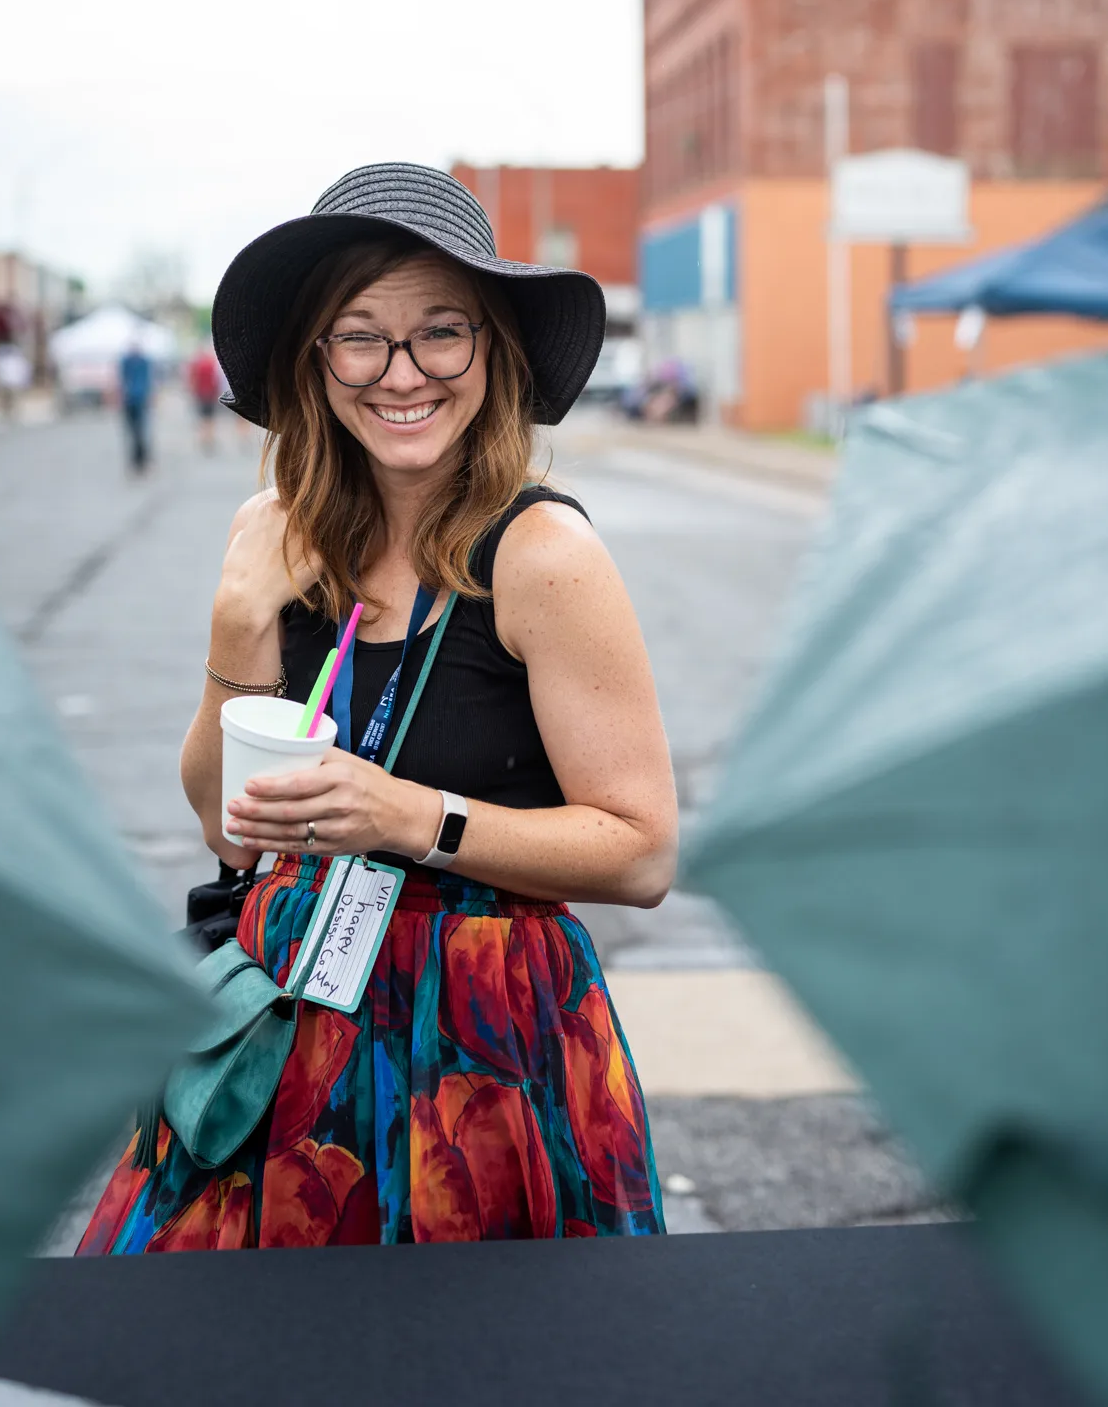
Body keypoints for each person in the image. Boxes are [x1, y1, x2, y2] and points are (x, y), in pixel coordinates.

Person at [79, 162, 678, 1251]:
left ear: (491, 349)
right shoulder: (274, 531)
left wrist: (409, 816)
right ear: (315, 360)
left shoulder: (541, 553)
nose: (403, 373)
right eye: (360, 337)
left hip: (483, 1046)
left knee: (478, 1334)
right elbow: (227, 829)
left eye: (441, 332)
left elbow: (640, 854)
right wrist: (238, 621)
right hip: (284, 1028)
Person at [118, 333, 153, 473]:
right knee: (136, 431)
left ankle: (140, 460)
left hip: (137, 399)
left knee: (138, 431)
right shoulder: (133, 361)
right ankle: (138, 460)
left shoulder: (140, 361)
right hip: (133, 399)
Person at [187, 344, 222, 453]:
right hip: (211, 394)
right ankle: (209, 438)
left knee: (203, 419)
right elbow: (216, 380)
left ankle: (204, 438)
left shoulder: (198, 365)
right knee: (210, 419)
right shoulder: (211, 364)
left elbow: (194, 380)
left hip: (201, 394)